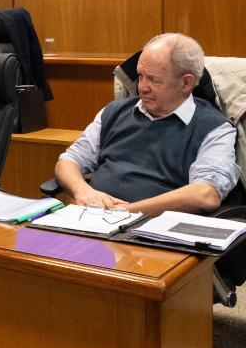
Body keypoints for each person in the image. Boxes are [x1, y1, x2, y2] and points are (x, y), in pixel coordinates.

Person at [55, 33, 240, 216]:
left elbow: (205, 194)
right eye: (140, 76)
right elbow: (69, 160)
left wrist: (125, 211)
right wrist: (83, 191)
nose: (142, 87)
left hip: (156, 231)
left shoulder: (213, 127)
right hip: (92, 217)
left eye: (153, 79)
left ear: (186, 83)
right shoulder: (115, 112)